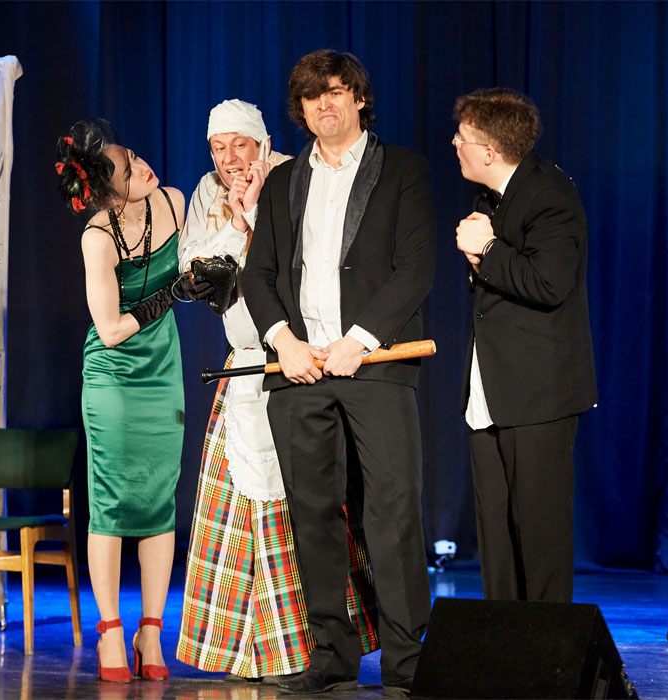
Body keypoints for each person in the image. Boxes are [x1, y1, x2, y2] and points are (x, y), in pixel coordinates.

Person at [241, 50, 434, 697]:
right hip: (299, 372)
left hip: (374, 365)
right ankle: (331, 653)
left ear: (359, 98)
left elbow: (415, 266)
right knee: (313, 514)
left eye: (336, 91)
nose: (324, 104)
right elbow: (258, 274)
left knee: (393, 510)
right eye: (311, 96)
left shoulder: (402, 170)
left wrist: (361, 339)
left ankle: (408, 662)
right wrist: (284, 341)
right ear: (300, 110)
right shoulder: (283, 181)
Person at [175, 99, 379, 680]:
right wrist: (237, 224)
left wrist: (258, 212)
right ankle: (249, 650)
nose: (229, 159)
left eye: (239, 145)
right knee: (242, 515)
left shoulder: (295, 177)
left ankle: (314, 648)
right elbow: (195, 273)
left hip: (301, 361)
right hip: (244, 365)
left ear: (262, 143)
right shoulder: (208, 192)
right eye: (218, 148)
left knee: (307, 509)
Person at [55, 119, 207, 682]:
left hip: (163, 369)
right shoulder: (97, 238)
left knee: (159, 499)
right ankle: (110, 632)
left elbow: (203, 260)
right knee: (114, 501)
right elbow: (112, 329)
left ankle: (151, 631)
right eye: (127, 168)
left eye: (136, 155)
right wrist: (173, 293)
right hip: (114, 377)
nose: (143, 167)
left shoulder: (174, 201)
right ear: (106, 188)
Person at [452, 88, 597, 603]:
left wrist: (487, 249)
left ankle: (547, 643)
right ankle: (503, 640)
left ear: (490, 151)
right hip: (492, 386)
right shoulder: (490, 198)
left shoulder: (550, 194)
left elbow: (549, 283)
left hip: (538, 393)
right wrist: (481, 259)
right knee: (496, 533)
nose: (455, 145)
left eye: (463, 138)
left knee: (540, 533)